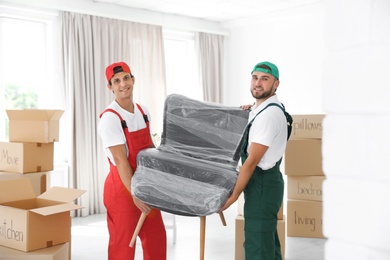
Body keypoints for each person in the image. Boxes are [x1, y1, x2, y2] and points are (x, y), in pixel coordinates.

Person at [98, 61, 166, 260]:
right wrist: (135, 195)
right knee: (123, 247)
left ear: (133, 79)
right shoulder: (110, 118)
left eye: (126, 78)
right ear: (110, 87)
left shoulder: (143, 112)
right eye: (116, 81)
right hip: (122, 190)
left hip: (146, 187)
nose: (123, 84)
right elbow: (121, 160)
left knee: (156, 239)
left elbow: (150, 149)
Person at [220, 61, 288, 260]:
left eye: (265, 79)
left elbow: (250, 163)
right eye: (255, 77)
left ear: (276, 84)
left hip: (262, 184)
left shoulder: (268, 116)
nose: (258, 83)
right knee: (266, 243)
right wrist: (249, 112)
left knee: (257, 247)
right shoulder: (263, 109)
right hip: (265, 184)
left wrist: (232, 198)